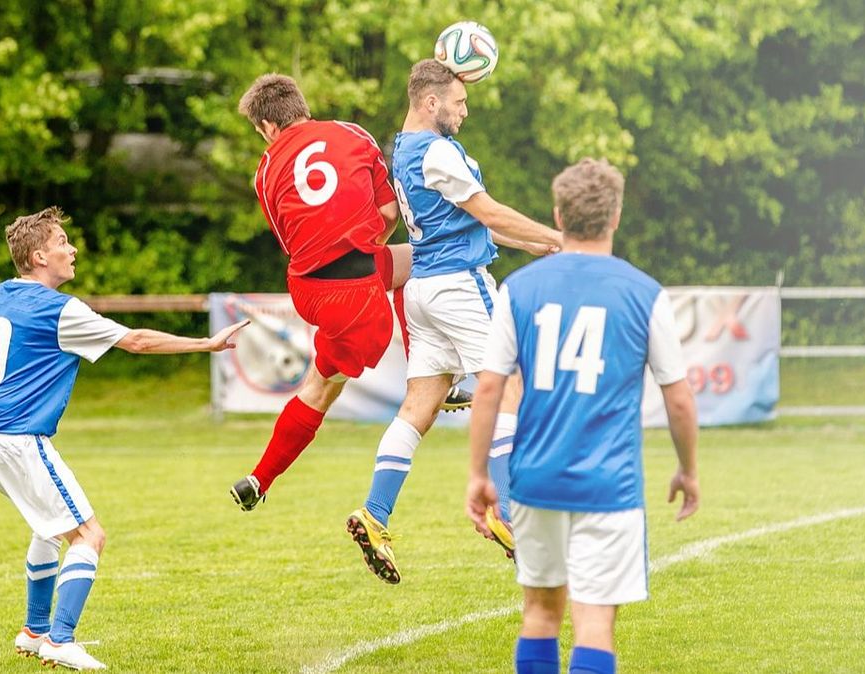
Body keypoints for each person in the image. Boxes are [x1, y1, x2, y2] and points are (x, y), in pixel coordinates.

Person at [0, 207, 247, 670]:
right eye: (61, 243)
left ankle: (34, 632)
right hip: (15, 437)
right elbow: (136, 342)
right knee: (89, 536)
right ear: (37, 256)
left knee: (47, 528)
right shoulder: (58, 308)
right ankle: (61, 638)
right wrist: (206, 344)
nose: (71, 249)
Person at [465, 158, 700, 674]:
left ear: (558, 215)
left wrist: (480, 473)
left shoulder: (518, 289)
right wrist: (688, 469)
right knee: (593, 623)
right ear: (615, 217)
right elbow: (679, 399)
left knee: (540, 614)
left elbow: (488, 388)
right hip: (608, 486)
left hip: (534, 480)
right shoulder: (643, 292)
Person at [345, 59, 563, 584]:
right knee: (510, 385)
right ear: (430, 102)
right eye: (459, 103)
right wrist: (560, 238)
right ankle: (507, 513)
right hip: (459, 286)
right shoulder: (439, 151)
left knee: (419, 404)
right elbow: (488, 213)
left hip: (422, 289)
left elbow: (476, 223)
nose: (465, 112)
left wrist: (543, 244)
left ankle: (375, 514)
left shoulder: (404, 148)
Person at [227, 73, 415, 511]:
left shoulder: (266, 171)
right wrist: (368, 252)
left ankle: (259, 478)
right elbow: (389, 211)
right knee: (433, 262)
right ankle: (428, 371)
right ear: (300, 106)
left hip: (309, 289)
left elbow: (292, 240)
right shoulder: (352, 133)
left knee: (318, 384)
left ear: (268, 128)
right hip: (358, 294)